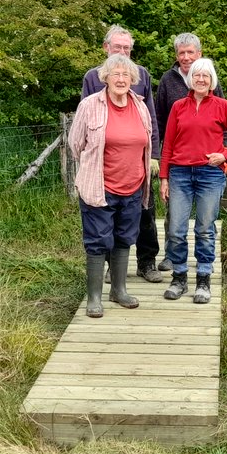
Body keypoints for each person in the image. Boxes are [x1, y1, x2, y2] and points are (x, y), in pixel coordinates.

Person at [159, 57, 227, 305]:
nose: (200, 79)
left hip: (210, 175)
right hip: (180, 174)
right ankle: (178, 278)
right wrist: (164, 177)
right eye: (197, 75)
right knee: (176, 229)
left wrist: (225, 155)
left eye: (205, 76)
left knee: (205, 229)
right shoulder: (178, 106)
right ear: (190, 79)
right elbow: (167, 145)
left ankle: (203, 279)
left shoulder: (222, 106)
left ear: (211, 81)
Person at [69, 54, 154, 318]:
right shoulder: (90, 105)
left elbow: (146, 140)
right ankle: (94, 297)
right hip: (99, 187)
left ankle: (118, 290)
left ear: (133, 80)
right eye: (115, 74)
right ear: (104, 77)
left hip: (133, 186)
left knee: (124, 238)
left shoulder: (140, 106)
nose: (120, 79)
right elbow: (76, 144)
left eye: (125, 75)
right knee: (97, 241)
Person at [82, 25, 163, 282]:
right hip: (104, 166)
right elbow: (82, 127)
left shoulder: (141, 75)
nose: (122, 52)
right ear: (106, 48)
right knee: (107, 221)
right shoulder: (92, 77)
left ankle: (146, 262)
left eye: (127, 48)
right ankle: (112, 270)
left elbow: (150, 116)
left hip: (137, 161)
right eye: (117, 47)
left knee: (145, 213)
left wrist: (154, 155)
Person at [154, 33, 224, 274]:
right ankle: (172, 257)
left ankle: (204, 263)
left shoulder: (208, 76)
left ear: (199, 54)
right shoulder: (167, 80)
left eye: (190, 52)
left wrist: (224, 154)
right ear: (177, 55)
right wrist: (161, 155)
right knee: (174, 216)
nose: (185, 57)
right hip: (178, 162)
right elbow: (160, 120)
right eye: (181, 53)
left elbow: (224, 118)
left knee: (206, 221)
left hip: (208, 164)